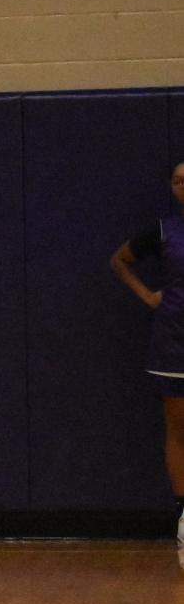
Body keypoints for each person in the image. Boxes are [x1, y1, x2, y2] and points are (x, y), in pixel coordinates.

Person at [111, 160, 184, 546]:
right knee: (178, 426)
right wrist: (148, 296)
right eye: (176, 180)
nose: (182, 185)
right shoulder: (162, 231)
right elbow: (119, 261)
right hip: (174, 338)